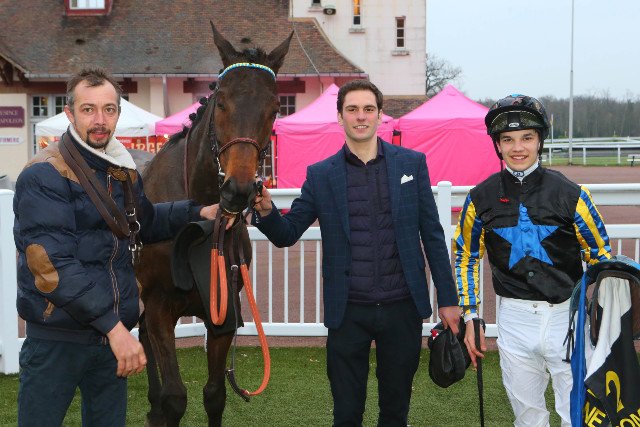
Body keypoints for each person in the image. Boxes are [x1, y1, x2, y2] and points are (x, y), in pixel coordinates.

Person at [13, 67, 217, 426]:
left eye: (109, 109)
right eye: (88, 109)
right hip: (59, 338)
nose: (100, 120)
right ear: (69, 113)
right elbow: (52, 267)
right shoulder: (44, 174)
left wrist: (198, 211)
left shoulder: (119, 169)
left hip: (110, 339)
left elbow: (144, 221)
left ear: (118, 113)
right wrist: (115, 329)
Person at [251, 79, 460, 426]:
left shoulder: (412, 164)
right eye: (352, 109)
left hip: (402, 308)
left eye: (368, 109)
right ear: (340, 117)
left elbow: (433, 236)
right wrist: (266, 211)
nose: (360, 116)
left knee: (395, 413)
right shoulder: (321, 175)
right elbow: (287, 233)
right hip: (348, 311)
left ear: (380, 115)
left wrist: (449, 300)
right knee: (346, 414)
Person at [454, 94, 612, 427]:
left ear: (540, 140)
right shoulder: (479, 198)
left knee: (577, 415)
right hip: (514, 319)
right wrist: (470, 316)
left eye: (526, 137)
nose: (518, 148)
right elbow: (466, 258)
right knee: (527, 417)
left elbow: (601, 258)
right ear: (497, 145)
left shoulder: (573, 194)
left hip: (567, 317)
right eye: (508, 139)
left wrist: (604, 313)